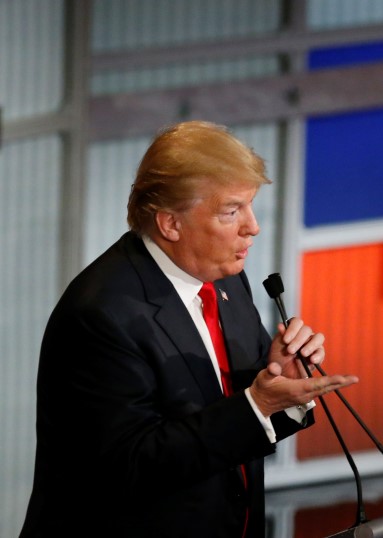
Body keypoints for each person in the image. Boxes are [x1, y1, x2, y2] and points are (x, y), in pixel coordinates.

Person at [20, 120, 358, 537]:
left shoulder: (226, 279)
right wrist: (256, 405)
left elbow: (236, 425)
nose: (252, 226)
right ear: (170, 224)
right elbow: (130, 467)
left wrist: (279, 385)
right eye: (231, 211)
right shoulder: (101, 315)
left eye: (250, 207)